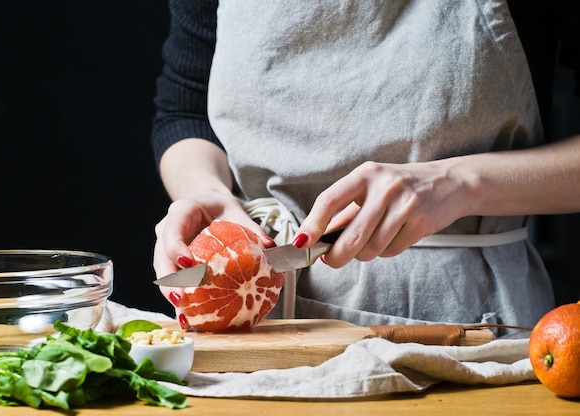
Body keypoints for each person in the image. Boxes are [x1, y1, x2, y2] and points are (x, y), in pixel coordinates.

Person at [150, 0, 580, 333]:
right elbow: (184, 109)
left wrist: (463, 184)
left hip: (462, 321)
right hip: (257, 326)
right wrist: (207, 192)